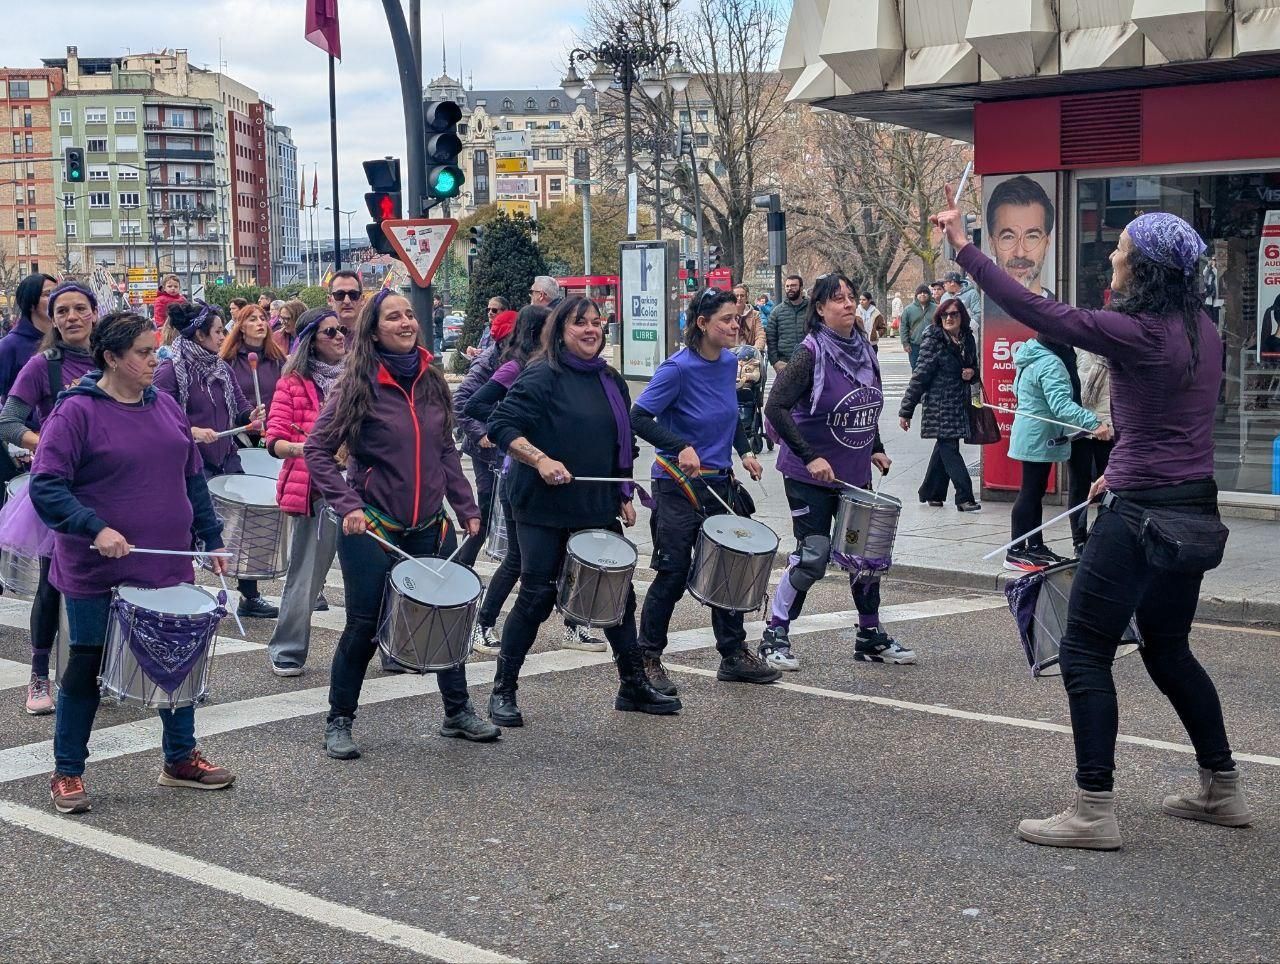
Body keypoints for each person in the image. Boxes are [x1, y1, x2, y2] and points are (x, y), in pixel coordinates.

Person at [940, 191, 1250, 848]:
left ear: (1144, 269)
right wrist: (1122, 463)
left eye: (1123, 249)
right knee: (1168, 649)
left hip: (1140, 518)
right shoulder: (1205, 330)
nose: (1113, 253)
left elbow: (1034, 309)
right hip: (1193, 509)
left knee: (1083, 651)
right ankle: (1221, 788)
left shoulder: (1138, 332)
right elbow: (1172, 422)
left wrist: (966, 246)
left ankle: (1093, 810)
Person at [30, 311, 235, 814]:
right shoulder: (76, 412)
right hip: (96, 567)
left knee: (178, 655)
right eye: (144, 352)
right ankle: (67, 771)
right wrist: (94, 528)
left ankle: (181, 758)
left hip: (164, 560)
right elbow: (46, 485)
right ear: (113, 358)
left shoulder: (164, 405)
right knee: (86, 665)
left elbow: (191, 478)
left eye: (156, 349)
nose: (155, 359)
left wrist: (209, 536)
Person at [305, 288, 498, 758]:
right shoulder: (356, 383)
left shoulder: (431, 379)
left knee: (446, 618)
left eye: (409, 315)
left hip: (429, 524)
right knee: (364, 626)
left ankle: (457, 712)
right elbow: (316, 451)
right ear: (374, 330)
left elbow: (445, 451)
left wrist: (467, 507)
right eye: (393, 317)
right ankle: (339, 720)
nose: (406, 322)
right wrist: (348, 505)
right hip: (373, 526)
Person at [484, 297, 681, 726]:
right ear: (560, 330)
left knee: (617, 597)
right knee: (536, 595)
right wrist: (539, 459)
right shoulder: (542, 374)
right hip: (540, 504)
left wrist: (624, 490)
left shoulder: (610, 378)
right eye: (580, 324)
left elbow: (620, 439)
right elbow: (501, 424)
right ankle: (503, 690)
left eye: (596, 323)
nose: (591, 330)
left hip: (594, 503)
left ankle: (632, 686)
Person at [761, 272, 912, 671]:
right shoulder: (809, 352)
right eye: (837, 298)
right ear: (820, 308)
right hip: (808, 474)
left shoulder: (864, 347)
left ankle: (869, 635)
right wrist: (810, 456)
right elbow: (775, 407)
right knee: (814, 555)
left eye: (850, 297)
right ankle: (774, 634)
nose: (847, 304)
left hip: (854, 472)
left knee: (866, 555)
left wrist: (876, 448)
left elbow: (864, 402)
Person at [631, 288, 778, 693]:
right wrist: (681, 446)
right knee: (673, 572)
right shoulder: (676, 369)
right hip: (677, 484)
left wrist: (745, 451)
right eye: (727, 320)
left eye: (736, 318)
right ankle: (647, 659)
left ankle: (733, 655)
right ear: (702, 324)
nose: (735, 325)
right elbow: (639, 417)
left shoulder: (729, 361)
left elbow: (728, 415)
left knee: (730, 568)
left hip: (719, 482)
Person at [462, 305, 608, 656]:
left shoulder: (563, 369)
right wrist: (511, 434)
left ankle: (575, 625)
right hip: (524, 477)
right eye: (559, 324)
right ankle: (483, 622)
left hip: (564, 481)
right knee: (519, 562)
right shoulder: (521, 367)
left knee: (573, 557)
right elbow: (474, 403)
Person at [0, 282, 99, 715]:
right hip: (58, 485)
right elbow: (8, 421)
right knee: (52, 582)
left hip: (106, 483)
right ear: (52, 318)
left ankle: (100, 669)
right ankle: (38, 675)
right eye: (63, 311)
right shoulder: (44, 364)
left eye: (80, 308)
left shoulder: (112, 358)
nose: (72, 317)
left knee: (110, 579)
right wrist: (48, 443)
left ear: (95, 313)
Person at [154, 302, 274, 619]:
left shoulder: (220, 368)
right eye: (218, 331)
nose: (223, 336)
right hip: (191, 463)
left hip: (226, 458)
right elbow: (158, 415)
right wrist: (190, 430)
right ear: (200, 334)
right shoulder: (170, 370)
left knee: (242, 524)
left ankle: (250, 595)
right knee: (190, 529)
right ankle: (176, 593)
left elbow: (240, 408)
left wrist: (252, 416)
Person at [263, 307, 348, 676]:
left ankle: (390, 648)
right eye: (331, 332)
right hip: (316, 488)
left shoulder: (358, 377)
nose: (340, 336)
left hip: (362, 485)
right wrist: (311, 450)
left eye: (342, 330)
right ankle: (287, 648)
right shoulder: (293, 383)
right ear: (312, 340)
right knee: (306, 576)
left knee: (376, 573)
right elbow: (275, 439)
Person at [1003, 334, 1107, 572]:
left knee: (1035, 491)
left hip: (1034, 432)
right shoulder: (1051, 362)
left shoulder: (1032, 353)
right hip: (1037, 435)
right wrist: (1093, 423)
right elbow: (1060, 404)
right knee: (1030, 492)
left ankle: (1035, 546)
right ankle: (1016, 551)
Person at [898, 298, 982, 512]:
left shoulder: (967, 339)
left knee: (943, 448)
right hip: (939, 404)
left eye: (954, 314)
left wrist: (971, 373)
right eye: (945, 315)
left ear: (962, 317)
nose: (949, 318)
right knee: (950, 447)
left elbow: (973, 368)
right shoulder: (933, 341)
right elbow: (920, 376)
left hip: (959, 402)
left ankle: (931, 493)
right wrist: (906, 410)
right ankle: (965, 497)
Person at [452, 308, 518, 568]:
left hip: (502, 448)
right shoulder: (486, 363)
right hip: (485, 451)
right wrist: (480, 433)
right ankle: (462, 563)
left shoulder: (510, 360)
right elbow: (460, 402)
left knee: (495, 509)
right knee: (488, 507)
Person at [220, 303, 286, 447]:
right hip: (240, 435)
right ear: (241, 327)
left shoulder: (277, 359)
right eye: (253, 319)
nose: (260, 323)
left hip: (274, 434)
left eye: (263, 319)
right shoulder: (229, 360)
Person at [1068, 349, 1114, 554]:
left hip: (1109, 430)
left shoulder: (1116, 352)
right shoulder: (1075, 350)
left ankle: (1104, 537)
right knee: (1079, 486)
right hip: (1080, 430)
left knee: (1110, 486)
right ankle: (1079, 540)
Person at [985, 175, 1055, 297]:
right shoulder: (981, 310)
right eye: (1008, 237)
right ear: (992, 244)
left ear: (1047, 244)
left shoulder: (1065, 313)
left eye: (1032, 237)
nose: (1020, 253)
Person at [0, 273, 59, 398]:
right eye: (48, 294)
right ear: (31, 303)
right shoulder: (8, 346)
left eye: (58, 293)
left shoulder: (65, 341)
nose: (56, 299)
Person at [766, 274, 807, 373]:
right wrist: (775, 362)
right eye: (787, 286)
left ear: (801, 288)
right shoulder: (777, 312)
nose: (790, 288)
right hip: (785, 364)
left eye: (793, 286)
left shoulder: (812, 309)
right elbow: (771, 339)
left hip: (810, 363)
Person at [899, 285, 935, 369]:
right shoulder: (908, 310)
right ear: (916, 295)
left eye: (925, 293)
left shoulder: (936, 308)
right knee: (916, 369)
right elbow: (904, 327)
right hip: (915, 345)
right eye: (920, 293)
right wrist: (905, 343)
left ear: (929, 294)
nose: (922, 294)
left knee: (932, 369)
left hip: (933, 344)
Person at [467, 294, 511, 359]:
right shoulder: (487, 329)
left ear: (505, 312)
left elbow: (505, 355)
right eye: (488, 310)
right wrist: (473, 351)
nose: (490, 313)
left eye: (494, 310)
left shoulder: (510, 331)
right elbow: (480, 348)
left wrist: (484, 353)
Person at [733, 284, 766, 352]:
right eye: (736, 296)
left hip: (750, 354)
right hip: (731, 353)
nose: (739, 298)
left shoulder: (755, 314)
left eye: (742, 295)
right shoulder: (727, 315)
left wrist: (754, 350)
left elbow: (760, 334)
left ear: (746, 298)